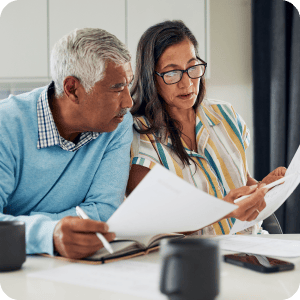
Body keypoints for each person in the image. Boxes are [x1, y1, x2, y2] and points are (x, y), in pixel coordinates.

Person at [127, 20, 286, 235]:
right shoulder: (137, 138)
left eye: (192, 67)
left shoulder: (225, 114)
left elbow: (240, 179)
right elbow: (156, 220)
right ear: (151, 77)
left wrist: (262, 188)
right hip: (196, 259)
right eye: (172, 73)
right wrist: (224, 210)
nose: (187, 83)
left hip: (253, 247)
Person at [0, 28, 134, 259]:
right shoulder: (6, 125)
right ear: (72, 89)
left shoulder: (117, 125)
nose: (129, 101)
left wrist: (30, 228)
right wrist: (49, 233)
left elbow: (104, 210)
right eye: (117, 88)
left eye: (128, 85)